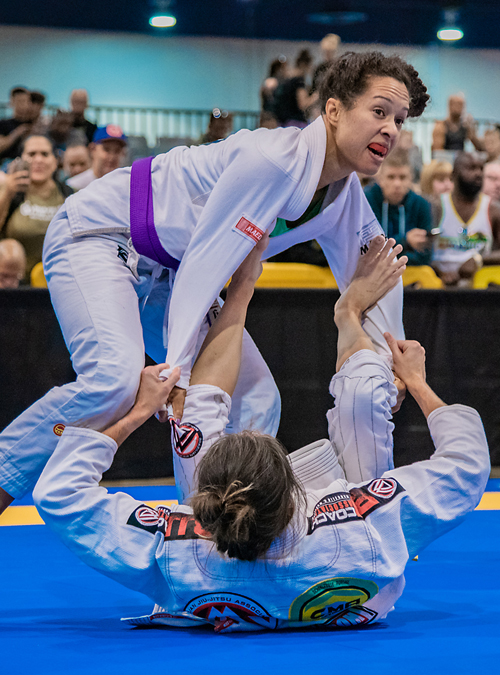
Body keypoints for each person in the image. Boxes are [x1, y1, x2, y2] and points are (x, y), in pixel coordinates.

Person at [0, 50, 429, 515]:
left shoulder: (344, 195)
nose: (391, 129)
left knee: (256, 400)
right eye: (379, 111)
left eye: (400, 120)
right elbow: (207, 264)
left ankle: (215, 531)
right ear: (333, 110)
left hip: (169, 271)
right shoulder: (273, 160)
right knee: (115, 380)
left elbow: (379, 272)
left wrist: (392, 361)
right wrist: (180, 373)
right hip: (101, 233)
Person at [32, 236, 489, 633]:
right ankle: (348, 312)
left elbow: (57, 495)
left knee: (198, 419)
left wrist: (140, 411)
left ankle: (206, 298)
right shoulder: (368, 530)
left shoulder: (175, 552)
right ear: (294, 493)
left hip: (222, 574)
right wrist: (419, 382)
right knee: (367, 392)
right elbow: (467, 466)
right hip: (350, 572)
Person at [0, 135, 73, 277]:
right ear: (19, 159)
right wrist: (7, 193)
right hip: (16, 284)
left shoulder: (69, 194)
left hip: (60, 279)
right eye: (31, 154)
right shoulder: (8, 190)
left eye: (45, 154)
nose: (38, 160)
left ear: (55, 160)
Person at [432, 152, 500, 286]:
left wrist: (479, 260)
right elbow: (422, 249)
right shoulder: (436, 207)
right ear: (454, 174)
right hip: (438, 288)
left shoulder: (493, 210)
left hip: (480, 288)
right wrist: (439, 271)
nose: (478, 174)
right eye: (471, 168)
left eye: (481, 169)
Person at [364, 149, 433, 265]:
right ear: (380, 179)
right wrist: (406, 242)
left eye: (402, 177)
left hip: (408, 268)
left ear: (411, 179)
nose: (397, 184)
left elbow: (425, 257)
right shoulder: (366, 201)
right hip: (372, 270)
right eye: (391, 177)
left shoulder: (422, 205)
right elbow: (366, 251)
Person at [66, 125, 128, 190]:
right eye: (106, 149)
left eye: (117, 151)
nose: (112, 157)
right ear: (92, 149)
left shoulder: (126, 188)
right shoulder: (74, 186)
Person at [272, 49, 317, 128]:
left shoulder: (287, 78)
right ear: (304, 65)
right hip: (296, 124)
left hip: (282, 123)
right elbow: (302, 104)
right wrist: (316, 96)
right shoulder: (299, 81)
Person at [0, 87, 33, 163]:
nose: (23, 105)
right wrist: (17, 133)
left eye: (26, 101)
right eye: (20, 101)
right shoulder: (3, 124)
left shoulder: (33, 124)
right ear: (12, 102)